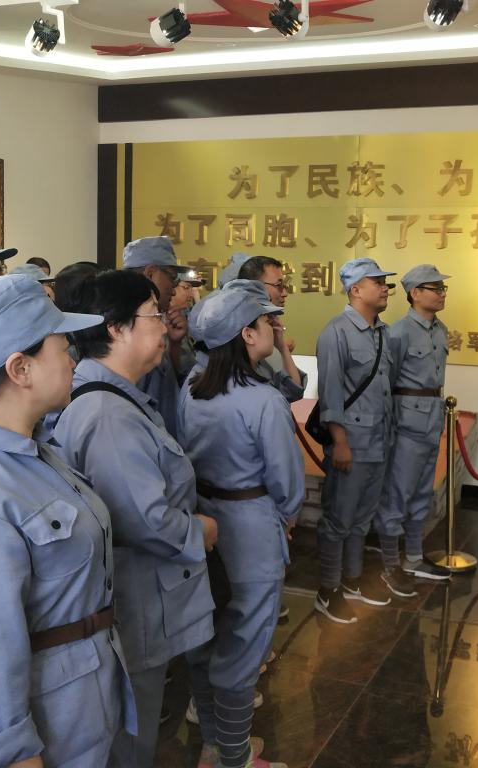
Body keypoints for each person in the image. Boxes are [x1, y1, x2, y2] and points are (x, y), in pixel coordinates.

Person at [0, 274, 135, 767]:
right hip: (48, 725)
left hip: (80, 700)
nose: (73, 358)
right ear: (20, 368)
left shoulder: (32, 452)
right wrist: (12, 756)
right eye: (61, 345)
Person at [53, 270, 216, 768]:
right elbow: (142, 520)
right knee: (132, 734)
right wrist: (201, 532)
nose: (165, 326)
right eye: (154, 315)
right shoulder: (108, 414)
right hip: (137, 600)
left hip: (142, 595)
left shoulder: (120, 398)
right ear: (116, 328)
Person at [179, 287, 301, 768]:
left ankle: (214, 743)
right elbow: (287, 482)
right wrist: (285, 516)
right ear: (247, 335)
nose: (274, 329)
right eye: (267, 322)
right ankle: (235, 757)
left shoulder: (191, 387)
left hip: (202, 521)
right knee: (245, 643)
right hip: (251, 527)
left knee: (204, 640)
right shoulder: (264, 399)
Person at [313, 258, 396, 624]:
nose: (385, 288)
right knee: (338, 520)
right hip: (351, 442)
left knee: (362, 520)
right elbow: (331, 393)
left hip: (378, 441)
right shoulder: (336, 333)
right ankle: (328, 590)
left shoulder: (382, 333)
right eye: (378, 282)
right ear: (356, 290)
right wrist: (340, 442)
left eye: (385, 282)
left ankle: (352, 581)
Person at [376, 265, 455, 590]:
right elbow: (388, 383)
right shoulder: (398, 333)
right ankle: (390, 565)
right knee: (398, 495)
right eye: (435, 289)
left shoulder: (440, 330)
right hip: (407, 423)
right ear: (415, 293)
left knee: (422, 493)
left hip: (432, 420)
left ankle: (414, 558)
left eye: (442, 288)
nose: (442, 294)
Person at [123, 236, 189, 440]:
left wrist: (175, 345)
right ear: (151, 273)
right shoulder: (128, 328)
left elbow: (165, 378)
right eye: (172, 278)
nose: (174, 289)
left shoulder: (156, 320)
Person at [236, 256, 306, 402]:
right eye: (279, 285)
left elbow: (294, 391)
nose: (285, 293)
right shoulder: (242, 336)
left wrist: (282, 348)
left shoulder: (269, 336)